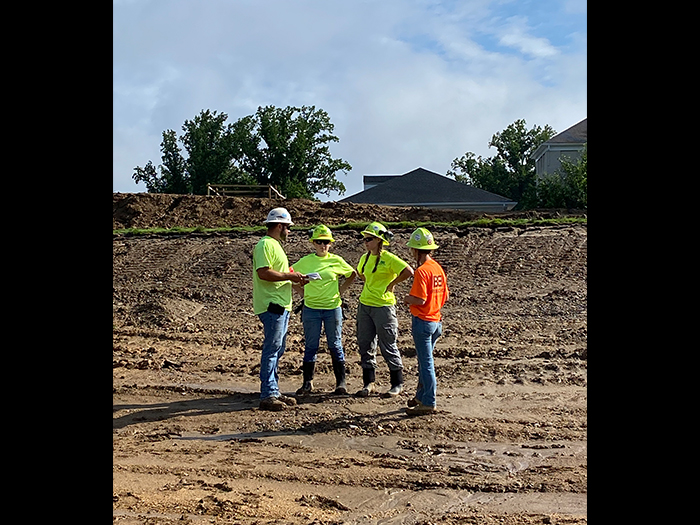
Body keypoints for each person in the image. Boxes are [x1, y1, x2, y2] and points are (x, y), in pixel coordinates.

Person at [252, 207, 309, 411]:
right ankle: (268, 393)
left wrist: (295, 279)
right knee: (272, 348)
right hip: (272, 305)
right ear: (279, 225)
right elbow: (264, 273)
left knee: (277, 348)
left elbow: (277, 273)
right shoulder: (265, 245)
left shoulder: (274, 246)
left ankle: (273, 390)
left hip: (280, 305)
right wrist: (290, 277)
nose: (289, 231)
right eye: (288, 227)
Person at [290, 225, 357, 396]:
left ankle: (341, 384)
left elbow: (352, 274)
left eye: (326, 242)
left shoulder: (336, 260)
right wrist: (301, 291)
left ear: (330, 244)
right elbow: (289, 275)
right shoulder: (305, 261)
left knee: (335, 344)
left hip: (332, 308)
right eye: (319, 242)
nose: (323, 245)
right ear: (313, 243)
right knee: (311, 345)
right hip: (311, 308)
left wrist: (340, 291)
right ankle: (307, 383)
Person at [355, 221, 414, 397]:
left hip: (383, 306)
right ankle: (369, 383)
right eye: (364, 239)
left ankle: (397, 383)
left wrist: (392, 284)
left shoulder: (389, 258)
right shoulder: (364, 258)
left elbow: (408, 271)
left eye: (369, 239)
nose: (365, 242)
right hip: (365, 304)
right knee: (365, 344)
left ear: (379, 240)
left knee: (387, 344)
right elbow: (361, 274)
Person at [402, 227, 449, 415]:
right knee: (424, 362)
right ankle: (421, 396)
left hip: (423, 321)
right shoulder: (437, 268)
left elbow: (419, 299)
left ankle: (429, 401)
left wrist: (407, 298)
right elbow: (445, 296)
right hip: (436, 320)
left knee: (426, 362)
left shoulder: (422, 271)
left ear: (415, 250)